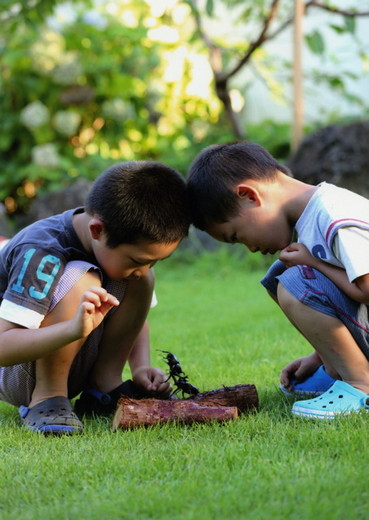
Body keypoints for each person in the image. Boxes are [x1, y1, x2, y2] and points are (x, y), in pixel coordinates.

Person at [0, 160, 191, 435]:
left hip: (69, 353)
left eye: (154, 261)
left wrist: (140, 367)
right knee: (82, 275)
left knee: (140, 281)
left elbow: (135, 317)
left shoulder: (119, 255)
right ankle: (47, 397)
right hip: (15, 369)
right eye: (138, 260)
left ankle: (104, 387)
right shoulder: (41, 251)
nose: (144, 268)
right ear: (97, 231)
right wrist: (70, 330)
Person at [187, 141, 369, 420]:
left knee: (297, 280)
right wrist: (320, 356)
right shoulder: (313, 216)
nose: (247, 247)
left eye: (235, 235)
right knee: (280, 274)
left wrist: (314, 263)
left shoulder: (334, 215)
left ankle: (360, 383)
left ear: (249, 195)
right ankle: (338, 368)